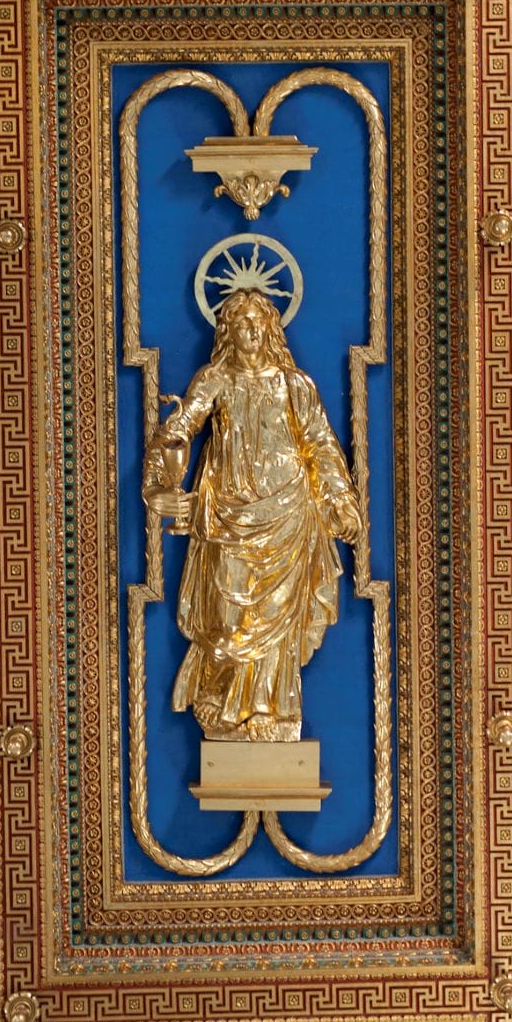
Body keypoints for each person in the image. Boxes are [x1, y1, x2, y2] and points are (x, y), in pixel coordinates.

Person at [144, 289, 362, 742]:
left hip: (288, 512)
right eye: (239, 322)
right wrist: (162, 484)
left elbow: (320, 444)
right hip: (227, 512)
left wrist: (340, 501)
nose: (249, 330)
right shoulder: (215, 380)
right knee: (228, 615)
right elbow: (179, 431)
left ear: (270, 328)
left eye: (256, 321)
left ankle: (270, 708)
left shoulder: (294, 385)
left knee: (277, 625)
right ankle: (224, 703)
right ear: (227, 331)